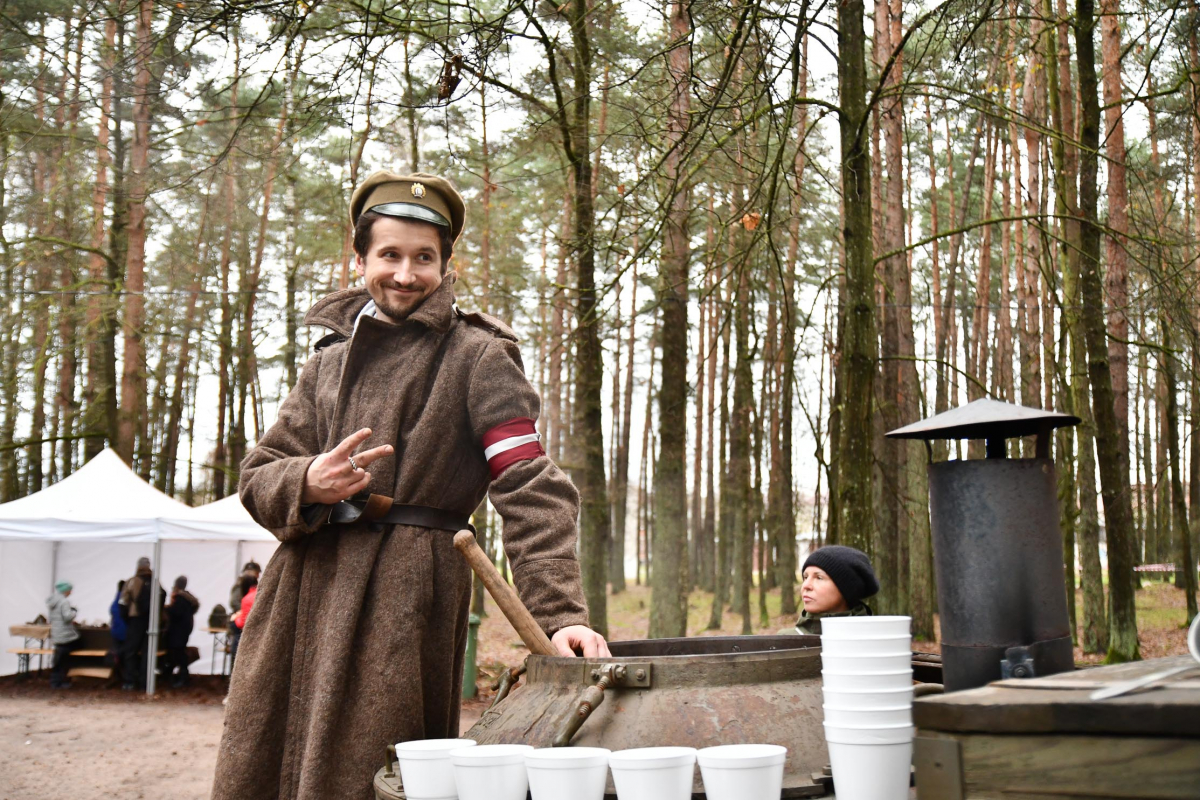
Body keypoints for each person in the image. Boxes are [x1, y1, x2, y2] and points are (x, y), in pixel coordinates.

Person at [213, 171, 609, 799]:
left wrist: (559, 613)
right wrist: (309, 480)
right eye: (389, 255)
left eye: (423, 258)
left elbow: (530, 485)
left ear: (445, 264)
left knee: (374, 774)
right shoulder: (326, 363)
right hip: (296, 596)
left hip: (402, 597)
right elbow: (259, 476)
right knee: (264, 762)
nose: (404, 274)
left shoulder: (479, 356)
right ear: (361, 256)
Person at [795, 545, 880, 635]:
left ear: (847, 588)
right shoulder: (786, 640)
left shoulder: (876, 639)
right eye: (805, 577)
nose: (806, 585)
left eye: (819, 578)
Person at [118, 556, 165, 690]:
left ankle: (130, 681)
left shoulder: (132, 581)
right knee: (148, 652)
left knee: (130, 651)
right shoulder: (156, 582)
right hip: (152, 621)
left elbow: (123, 602)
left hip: (136, 620)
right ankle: (146, 681)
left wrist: (127, 619)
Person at [165, 576, 200, 687]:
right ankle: (180, 675)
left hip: (178, 631)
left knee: (178, 653)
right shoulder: (187, 598)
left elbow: (176, 613)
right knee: (179, 652)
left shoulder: (180, 599)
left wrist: (166, 609)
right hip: (184, 630)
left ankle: (183, 677)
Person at [47, 581, 80, 688]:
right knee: (63, 659)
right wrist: (74, 611)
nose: (71, 592)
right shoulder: (64, 602)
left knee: (58, 660)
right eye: (70, 590)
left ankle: (55, 681)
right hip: (66, 635)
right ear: (65, 590)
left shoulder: (53, 602)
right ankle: (59, 682)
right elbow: (67, 617)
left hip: (57, 634)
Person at [228, 573, 258, 666]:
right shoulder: (258, 594)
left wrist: (234, 619)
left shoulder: (246, 598)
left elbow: (242, 624)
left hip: (245, 634)